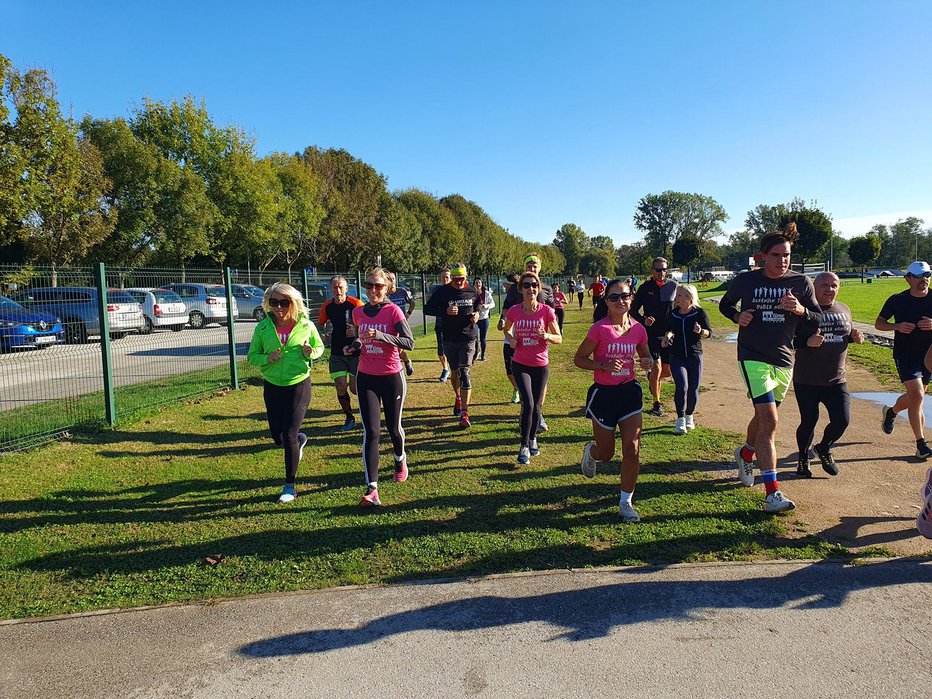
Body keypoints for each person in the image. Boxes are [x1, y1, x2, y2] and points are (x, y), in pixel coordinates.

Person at [718, 222, 823, 513]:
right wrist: (738, 317)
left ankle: (746, 452)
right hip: (752, 356)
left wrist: (801, 310)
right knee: (771, 420)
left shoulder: (801, 283)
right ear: (763, 256)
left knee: (764, 419)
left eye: (786, 255)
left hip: (785, 359)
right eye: (776, 255)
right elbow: (725, 306)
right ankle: (772, 493)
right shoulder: (745, 280)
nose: (782, 260)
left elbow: (816, 318)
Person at [573, 279, 652, 523]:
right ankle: (592, 451)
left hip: (629, 393)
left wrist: (648, 363)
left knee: (633, 448)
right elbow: (579, 359)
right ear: (606, 301)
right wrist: (603, 365)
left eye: (625, 296)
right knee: (606, 453)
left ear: (632, 298)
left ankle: (625, 502)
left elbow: (646, 356)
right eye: (614, 297)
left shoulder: (638, 329)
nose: (621, 301)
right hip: (604, 395)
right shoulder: (600, 329)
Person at [247, 283, 325, 503]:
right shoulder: (262, 328)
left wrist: (311, 352)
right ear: (268, 304)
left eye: (284, 302)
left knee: (289, 434)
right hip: (272, 385)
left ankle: (289, 486)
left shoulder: (306, 325)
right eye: (274, 302)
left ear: (293, 303)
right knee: (278, 437)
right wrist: (267, 358)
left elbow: (319, 348)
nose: (279, 307)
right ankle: (299, 442)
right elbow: (252, 357)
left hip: (298, 384)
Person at [345, 267, 415, 507]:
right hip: (366, 377)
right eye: (369, 285)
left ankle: (399, 459)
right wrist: (353, 346)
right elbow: (361, 337)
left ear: (387, 288)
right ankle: (372, 489)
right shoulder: (357, 313)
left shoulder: (393, 311)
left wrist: (383, 337)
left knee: (394, 428)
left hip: (391, 377)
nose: (373, 290)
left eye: (378, 286)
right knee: (371, 432)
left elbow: (409, 342)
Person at [793, 272, 864, 476]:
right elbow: (787, 342)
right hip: (807, 380)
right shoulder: (802, 312)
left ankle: (823, 448)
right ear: (813, 287)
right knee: (809, 421)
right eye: (824, 285)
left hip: (836, 380)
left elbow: (843, 335)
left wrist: (855, 336)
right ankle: (803, 458)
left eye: (834, 285)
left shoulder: (844, 309)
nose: (829, 289)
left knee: (842, 420)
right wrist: (806, 343)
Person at [504, 271, 562, 464]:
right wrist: (511, 339)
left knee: (537, 406)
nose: (531, 289)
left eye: (534, 285)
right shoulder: (514, 310)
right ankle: (523, 447)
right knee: (528, 404)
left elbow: (559, 338)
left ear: (538, 288)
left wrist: (546, 336)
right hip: (520, 363)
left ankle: (533, 438)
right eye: (527, 285)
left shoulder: (546, 311)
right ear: (521, 289)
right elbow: (506, 328)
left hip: (540, 365)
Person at [876, 260, 932, 459]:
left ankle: (891, 412)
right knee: (917, 395)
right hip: (905, 354)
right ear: (907, 278)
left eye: (927, 275)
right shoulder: (897, 300)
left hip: (928, 356)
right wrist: (897, 326)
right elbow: (879, 324)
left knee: (915, 397)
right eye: (918, 276)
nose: (923, 280)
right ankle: (921, 444)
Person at [499, 254, 556, 426]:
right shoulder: (518, 288)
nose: (532, 268)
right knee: (521, 378)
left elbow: (552, 313)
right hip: (520, 343)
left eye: (535, 266)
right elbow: (506, 311)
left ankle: (538, 414)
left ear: (540, 268)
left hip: (540, 344)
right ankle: (527, 411)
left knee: (540, 381)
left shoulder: (546, 289)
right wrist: (505, 325)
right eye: (529, 265)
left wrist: (549, 334)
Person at [424, 262, 481, 428]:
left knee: (464, 372)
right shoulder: (443, 291)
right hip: (449, 338)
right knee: (454, 374)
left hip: (468, 337)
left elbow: (478, 304)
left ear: (466, 277)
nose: (457, 282)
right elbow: (428, 308)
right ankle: (458, 397)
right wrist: (445, 312)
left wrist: (476, 314)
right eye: (455, 279)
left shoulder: (473, 290)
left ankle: (465, 413)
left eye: (460, 279)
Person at [661, 283, 711, 435]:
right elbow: (668, 329)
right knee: (682, 386)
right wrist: (667, 336)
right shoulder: (673, 314)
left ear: (689, 297)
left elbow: (709, 332)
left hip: (695, 356)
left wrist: (701, 331)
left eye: (680, 295)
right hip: (677, 356)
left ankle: (690, 415)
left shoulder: (699, 313)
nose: (676, 298)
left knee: (693, 388)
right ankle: (680, 419)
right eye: (676, 295)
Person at [630, 257, 677, 417]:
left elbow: (679, 309)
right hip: (651, 334)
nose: (661, 273)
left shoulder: (674, 286)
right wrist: (644, 320)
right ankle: (657, 402)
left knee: (666, 372)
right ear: (652, 270)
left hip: (669, 334)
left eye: (664, 270)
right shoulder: (645, 288)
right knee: (656, 366)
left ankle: (651, 379)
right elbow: (633, 310)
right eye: (658, 270)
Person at [318, 276, 364, 431]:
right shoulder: (327, 306)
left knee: (355, 389)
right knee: (340, 385)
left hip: (356, 352)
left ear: (346, 288)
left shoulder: (356, 304)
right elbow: (321, 324)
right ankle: (349, 417)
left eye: (340, 287)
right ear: (331, 289)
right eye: (335, 288)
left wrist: (356, 330)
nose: (338, 291)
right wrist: (323, 335)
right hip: (337, 352)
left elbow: (367, 325)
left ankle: (369, 411)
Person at [388, 281, 416, 376]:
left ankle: (403, 364)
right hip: (389, 324)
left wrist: (408, 313)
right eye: (389, 279)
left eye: (393, 279)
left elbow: (412, 303)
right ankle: (406, 361)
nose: (391, 281)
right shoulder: (384, 294)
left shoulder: (402, 291)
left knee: (398, 349)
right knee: (394, 348)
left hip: (401, 324)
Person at [429, 268, 452, 382]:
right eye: (443, 277)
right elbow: (431, 307)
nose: (445, 279)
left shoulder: (455, 291)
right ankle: (445, 368)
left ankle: (455, 370)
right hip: (440, 324)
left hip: (453, 325)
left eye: (447, 277)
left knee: (453, 349)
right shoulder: (436, 291)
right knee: (441, 350)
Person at [474, 277, 495, 361]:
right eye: (476, 283)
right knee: (475, 337)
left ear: (481, 284)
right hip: (475, 319)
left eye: (479, 282)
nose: (478, 284)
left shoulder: (486, 293)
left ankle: (483, 354)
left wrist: (486, 306)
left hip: (484, 318)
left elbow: (493, 304)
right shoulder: (472, 293)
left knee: (483, 338)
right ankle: (476, 352)